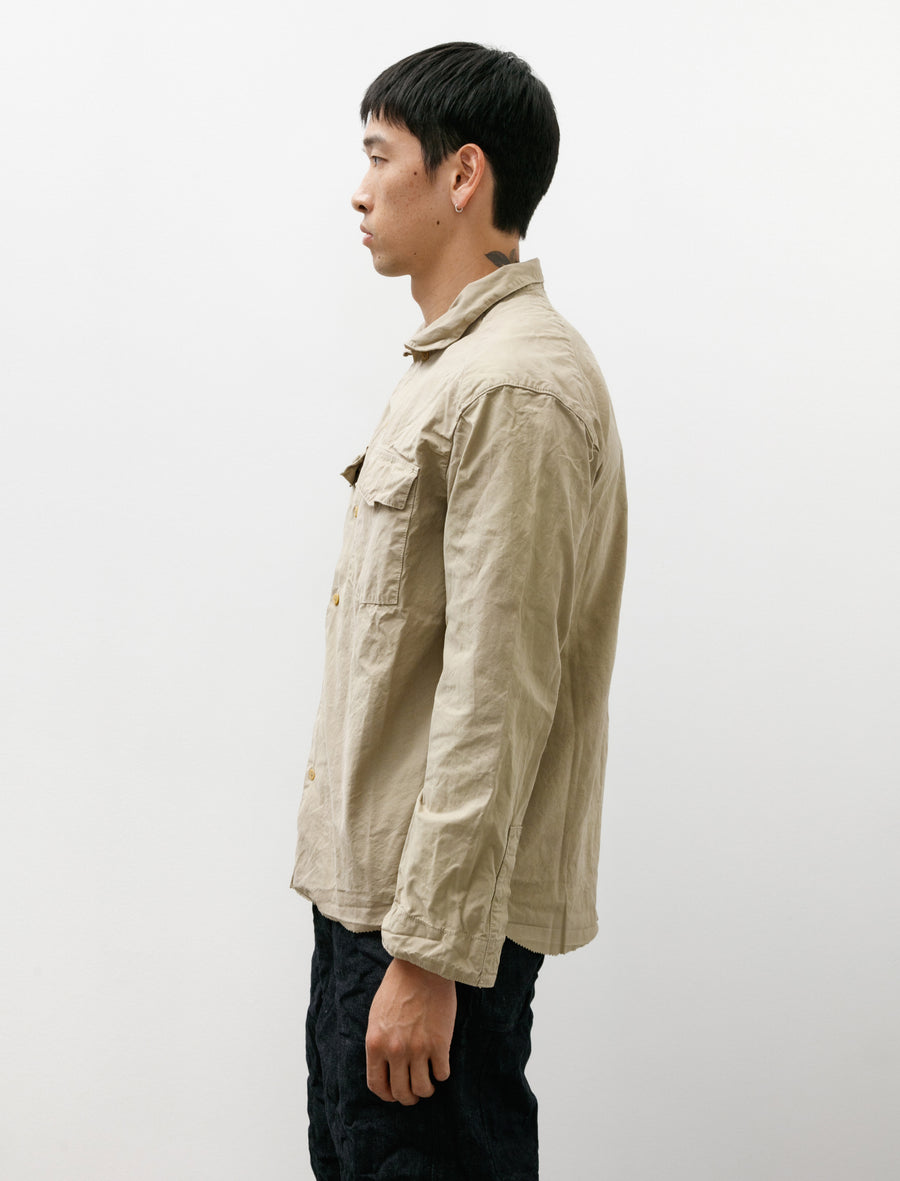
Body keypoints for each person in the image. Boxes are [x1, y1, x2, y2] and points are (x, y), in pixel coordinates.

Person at [291, 41, 627, 1180]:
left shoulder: (513, 386)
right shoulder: (455, 369)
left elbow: (498, 689)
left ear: (463, 174)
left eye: (380, 156)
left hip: (427, 932)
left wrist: (429, 954)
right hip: (379, 910)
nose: (360, 189)